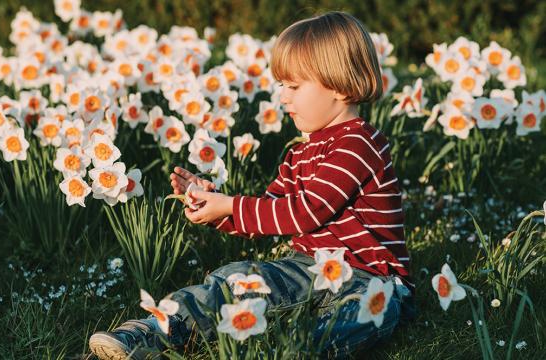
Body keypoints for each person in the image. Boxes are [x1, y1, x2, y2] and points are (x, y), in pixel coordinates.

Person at [89, 11, 415, 359]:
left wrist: (231, 205)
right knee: (236, 279)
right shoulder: (301, 153)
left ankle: (297, 349)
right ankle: (152, 332)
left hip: (369, 275)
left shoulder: (358, 144)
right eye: (281, 86)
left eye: (294, 86)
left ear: (337, 86)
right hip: (308, 266)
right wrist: (215, 206)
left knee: (369, 309)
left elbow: (307, 211)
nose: (283, 97)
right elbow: (272, 209)